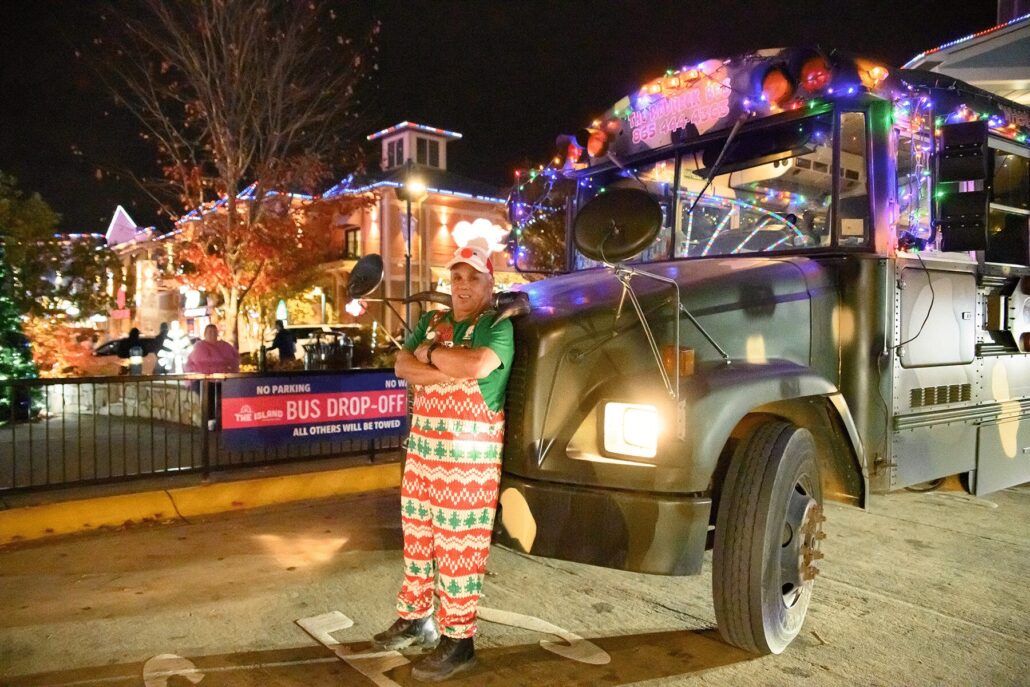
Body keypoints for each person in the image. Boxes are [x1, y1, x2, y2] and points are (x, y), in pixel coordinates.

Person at [372, 237, 514, 682]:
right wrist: (443, 369)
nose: (463, 285)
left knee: (459, 553)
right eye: (456, 277)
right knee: (417, 543)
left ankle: (459, 641)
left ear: (489, 283)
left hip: (467, 466)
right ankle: (416, 618)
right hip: (422, 457)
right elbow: (401, 367)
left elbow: (475, 367)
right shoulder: (433, 319)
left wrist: (431, 355)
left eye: (473, 277)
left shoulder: (496, 325)